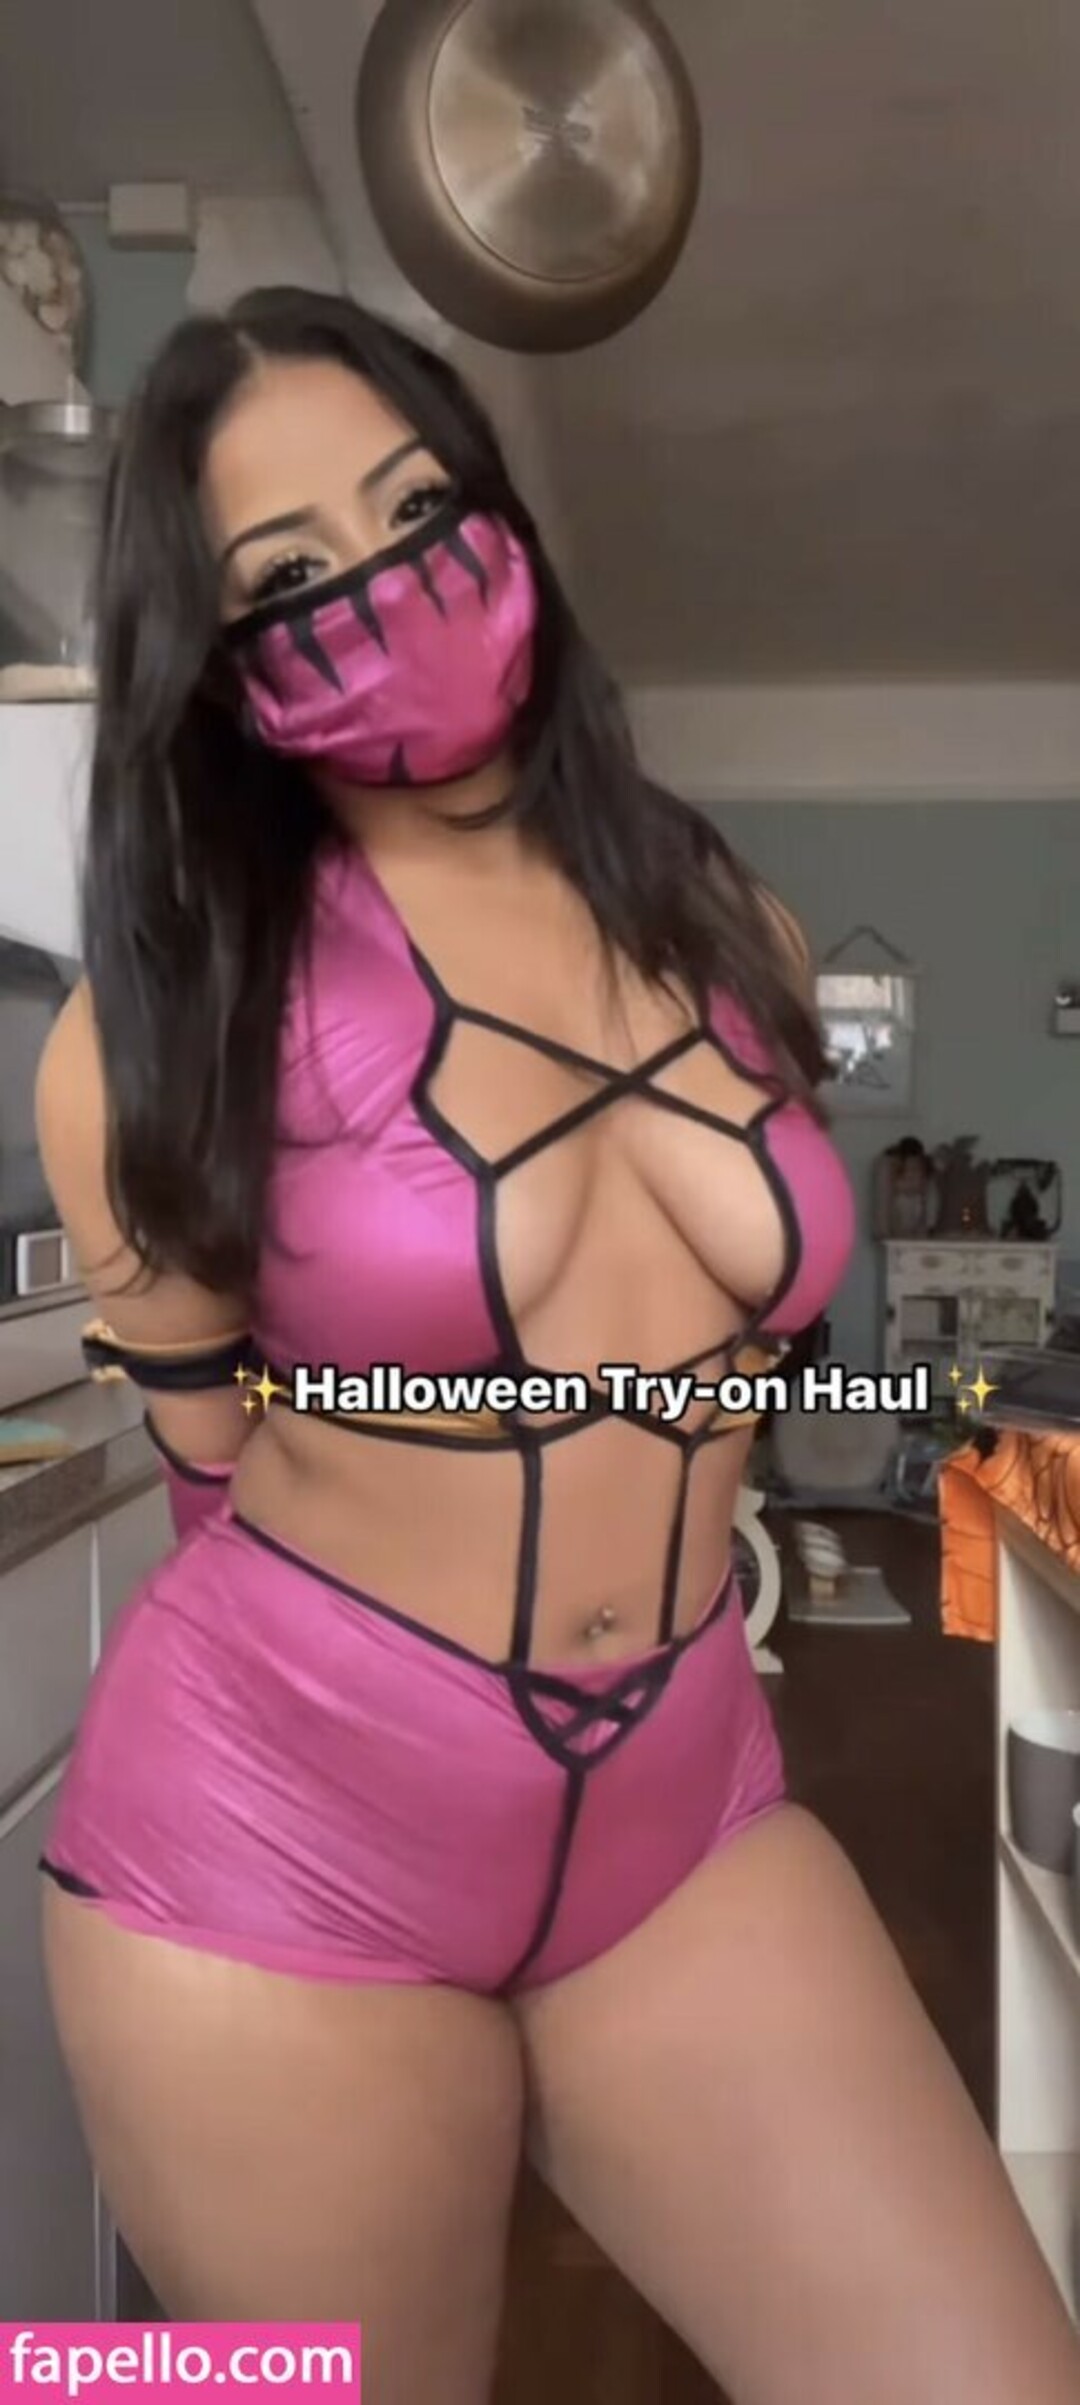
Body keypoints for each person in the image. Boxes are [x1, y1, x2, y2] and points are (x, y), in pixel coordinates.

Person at [35, 286, 1079, 2405]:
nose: (384, 588)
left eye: (418, 509)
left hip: (679, 1815)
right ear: (211, 668)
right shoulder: (160, 1029)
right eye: (289, 577)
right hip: (283, 1851)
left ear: (503, 516)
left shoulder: (727, 922)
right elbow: (217, 1464)